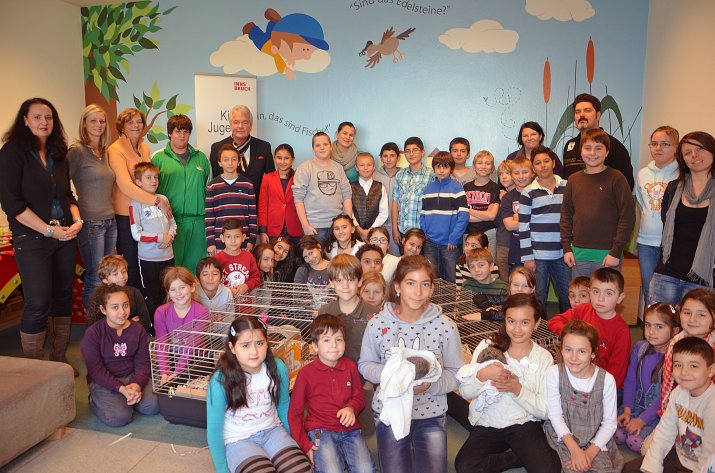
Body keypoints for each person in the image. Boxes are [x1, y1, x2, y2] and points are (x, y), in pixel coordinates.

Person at [359, 255, 463, 473]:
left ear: (432, 288)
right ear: (397, 286)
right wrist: (395, 376)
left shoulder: (446, 326)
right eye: (410, 283)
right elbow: (366, 364)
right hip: (389, 410)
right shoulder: (377, 324)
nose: (418, 292)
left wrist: (432, 385)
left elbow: (456, 372)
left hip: (431, 413)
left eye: (425, 284)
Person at [0, 98, 82, 366]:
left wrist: (77, 220)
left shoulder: (59, 153)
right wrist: (48, 231)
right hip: (32, 238)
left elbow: (67, 196)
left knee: (63, 297)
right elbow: (11, 204)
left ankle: (58, 361)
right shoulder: (12, 152)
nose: (43, 122)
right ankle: (35, 370)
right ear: (25, 120)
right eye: (37, 117)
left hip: (65, 235)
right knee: (38, 302)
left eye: (48, 117)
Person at [454, 294, 560, 473]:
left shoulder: (544, 358)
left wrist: (517, 389)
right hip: (489, 422)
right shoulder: (488, 346)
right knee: (465, 466)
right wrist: (482, 375)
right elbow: (465, 392)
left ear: (537, 323)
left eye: (525, 322)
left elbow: (545, 409)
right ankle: (517, 457)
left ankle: (526, 453)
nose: (517, 329)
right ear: (505, 320)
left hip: (524, 423)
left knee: (549, 469)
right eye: (511, 321)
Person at [207, 316, 311, 473]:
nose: (254, 352)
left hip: (273, 431)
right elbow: (214, 429)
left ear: (267, 342)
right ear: (232, 347)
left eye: (260, 343)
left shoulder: (278, 368)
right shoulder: (220, 380)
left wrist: (296, 444)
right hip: (238, 440)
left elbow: (284, 407)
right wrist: (222, 470)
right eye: (245, 345)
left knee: (301, 469)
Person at [288, 315, 374, 472]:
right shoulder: (305, 374)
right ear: (315, 346)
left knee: (366, 469)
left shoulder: (350, 366)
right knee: (332, 470)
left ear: (345, 343)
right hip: (320, 431)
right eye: (326, 340)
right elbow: (294, 413)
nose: (334, 345)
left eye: (338, 339)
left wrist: (351, 408)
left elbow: (359, 398)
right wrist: (305, 445)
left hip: (350, 430)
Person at [623, 336, 715, 473]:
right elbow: (664, 432)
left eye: (694, 366)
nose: (684, 372)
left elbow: (709, 456)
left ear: (711, 370)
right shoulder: (678, 392)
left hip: (704, 465)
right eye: (678, 365)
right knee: (628, 469)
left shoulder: (711, 404)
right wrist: (651, 468)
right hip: (680, 456)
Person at [543, 320, 624, 473]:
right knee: (572, 469)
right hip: (564, 436)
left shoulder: (607, 380)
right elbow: (555, 415)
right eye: (568, 349)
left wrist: (588, 454)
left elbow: (609, 424)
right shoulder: (554, 373)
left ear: (593, 353)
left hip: (595, 438)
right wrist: (575, 450)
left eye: (582, 351)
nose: (573, 357)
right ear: (561, 349)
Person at [79, 284, 159, 427]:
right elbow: (96, 371)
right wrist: (121, 389)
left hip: (131, 376)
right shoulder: (93, 333)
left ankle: (128, 399)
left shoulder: (138, 329)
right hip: (105, 382)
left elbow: (143, 363)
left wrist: (136, 385)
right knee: (119, 418)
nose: (122, 312)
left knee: (153, 406)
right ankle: (96, 400)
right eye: (115, 307)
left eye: (125, 305)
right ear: (103, 309)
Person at [649, 131, 715, 305]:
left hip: (703, 278)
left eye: (700, 149)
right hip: (667, 274)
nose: (694, 155)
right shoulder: (673, 189)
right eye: (687, 152)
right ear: (682, 159)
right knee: (657, 322)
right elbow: (666, 224)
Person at [108, 108, 171, 288]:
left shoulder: (144, 147)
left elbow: (147, 178)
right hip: (126, 216)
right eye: (130, 122)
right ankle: (132, 303)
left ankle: (149, 302)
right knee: (131, 266)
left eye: (139, 121)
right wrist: (158, 202)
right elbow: (125, 185)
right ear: (122, 127)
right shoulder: (115, 150)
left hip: (147, 213)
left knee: (149, 265)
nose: (136, 125)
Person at [561, 128, 636, 278]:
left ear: (607, 152)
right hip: (578, 255)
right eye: (587, 148)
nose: (592, 153)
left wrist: (616, 251)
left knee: (605, 293)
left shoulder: (617, 178)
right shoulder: (573, 180)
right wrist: (567, 248)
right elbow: (566, 216)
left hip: (607, 256)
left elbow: (627, 217)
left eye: (598, 148)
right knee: (581, 293)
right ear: (581, 151)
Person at [318, 256, 379, 434]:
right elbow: (320, 348)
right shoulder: (325, 311)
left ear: (359, 281)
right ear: (331, 283)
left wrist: (369, 383)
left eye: (350, 280)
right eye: (339, 280)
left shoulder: (374, 314)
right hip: (331, 383)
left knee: (366, 431)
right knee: (333, 427)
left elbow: (379, 351)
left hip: (363, 383)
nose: (345, 286)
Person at [547, 267, 632, 389]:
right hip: (577, 374)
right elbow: (554, 321)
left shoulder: (622, 331)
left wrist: (595, 388)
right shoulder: (583, 309)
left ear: (620, 297)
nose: (600, 298)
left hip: (602, 386)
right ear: (589, 292)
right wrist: (573, 334)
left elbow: (616, 374)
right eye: (596, 292)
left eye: (608, 293)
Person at [68, 104, 116, 310]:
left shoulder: (105, 152)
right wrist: (76, 213)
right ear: (84, 124)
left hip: (110, 221)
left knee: (108, 276)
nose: (99, 125)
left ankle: (105, 319)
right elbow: (60, 186)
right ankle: (93, 323)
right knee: (95, 277)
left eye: (102, 121)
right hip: (90, 223)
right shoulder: (77, 151)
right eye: (93, 121)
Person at [152, 114, 212, 272]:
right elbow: (149, 192)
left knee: (197, 270)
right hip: (170, 222)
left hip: (198, 223)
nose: (182, 135)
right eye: (178, 131)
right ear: (170, 133)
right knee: (171, 271)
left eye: (185, 131)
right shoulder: (157, 158)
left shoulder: (201, 158)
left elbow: (209, 189)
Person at [616, 302, 678, 453]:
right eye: (648, 325)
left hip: (656, 414)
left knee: (635, 442)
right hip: (634, 405)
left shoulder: (675, 358)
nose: (651, 332)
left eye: (659, 327)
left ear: (674, 330)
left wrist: (641, 420)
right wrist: (627, 410)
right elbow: (630, 380)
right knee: (616, 434)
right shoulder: (640, 347)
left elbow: (665, 397)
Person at [519, 145, 571, 313]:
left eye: (546, 161)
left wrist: (571, 248)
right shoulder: (528, 192)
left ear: (553, 163)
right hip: (538, 256)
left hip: (563, 254)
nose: (543, 165)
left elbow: (574, 218)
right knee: (538, 297)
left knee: (567, 295)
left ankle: (567, 328)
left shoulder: (568, 186)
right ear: (533, 168)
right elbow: (523, 226)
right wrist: (528, 257)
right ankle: (539, 328)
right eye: (538, 163)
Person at [636, 126, 680, 304]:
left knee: (670, 296)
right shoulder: (643, 174)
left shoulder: (682, 174)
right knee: (650, 292)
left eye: (665, 144)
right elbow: (642, 204)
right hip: (646, 243)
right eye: (654, 144)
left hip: (672, 244)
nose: (658, 148)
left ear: (676, 147)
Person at [129, 161, 177, 322]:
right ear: (138, 182)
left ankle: (168, 324)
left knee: (168, 293)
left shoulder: (163, 199)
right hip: (148, 260)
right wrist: (160, 237)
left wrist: (170, 236)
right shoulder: (135, 204)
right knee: (152, 295)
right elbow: (137, 234)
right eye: (148, 177)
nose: (154, 181)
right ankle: (153, 328)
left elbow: (173, 223)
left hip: (168, 257)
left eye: (156, 177)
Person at [658, 289, 715, 416]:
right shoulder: (674, 343)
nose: (692, 319)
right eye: (687, 312)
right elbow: (668, 382)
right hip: (678, 407)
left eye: (701, 315)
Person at [561, 93, 635, 188]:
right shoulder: (569, 146)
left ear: (598, 115)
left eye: (587, 110)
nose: (581, 115)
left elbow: (627, 185)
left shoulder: (614, 146)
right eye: (577, 112)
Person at [153, 266, 209, 385]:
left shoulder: (202, 312)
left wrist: (177, 374)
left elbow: (191, 346)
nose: (178, 293)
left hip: (195, 360)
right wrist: (165, 372)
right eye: (173, 289)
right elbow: (161, 344)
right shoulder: (161, 312)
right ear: (168, 292)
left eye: (182, 287)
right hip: (171, 357)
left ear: (192, 287)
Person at [420, 151, 469, 283]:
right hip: (430, 243)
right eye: (438, 167)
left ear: (451, 169)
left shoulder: (457, 188)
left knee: (452, 278)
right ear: (434, 168)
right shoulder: (428, 189)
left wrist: (454, 238)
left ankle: (453, 299)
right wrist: (425, 233)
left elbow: (464, 216)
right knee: (431, 278)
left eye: (445, 167)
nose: (441, 170)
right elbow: (423, 214)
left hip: (450, 244)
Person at [293, 132, 353, 241]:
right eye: (318, 145)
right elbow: (298, 200)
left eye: (325, 144)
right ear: (313, 148)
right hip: (315, 226)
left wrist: (348, 222)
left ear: (331, 146)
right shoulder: (304, 168)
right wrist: (305, 225)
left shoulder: (338, 168)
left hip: (338, 225)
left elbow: (346, 195)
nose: (322, 148)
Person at [242, 8, 329, 81]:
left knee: (272, 31)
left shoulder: (282, 44)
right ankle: (252, 28)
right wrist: (286, 70)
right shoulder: (277, 51)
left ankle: (276, 23)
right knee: (259, 39)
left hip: (276, 36)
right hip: (267, 44)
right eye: (305, 49)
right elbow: (279, 62)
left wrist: (291, 58)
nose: (307, 57)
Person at [208, 104, 274, 199]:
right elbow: (214, 181)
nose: (240, 126)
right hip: (226, 204)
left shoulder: (264, 147)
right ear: (230, 125)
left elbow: (271, 181)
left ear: (251, 126)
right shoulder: (217, 148)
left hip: (256, 204)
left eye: (245, 122)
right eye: (236, 122)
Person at [205, 143, 257, 255]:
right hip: (219, 243)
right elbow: (209, 217)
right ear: (219, 162)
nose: (230, 163)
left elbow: (252, 215)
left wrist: (252, 239)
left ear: (238, 162)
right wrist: (210, 242)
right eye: (226, 160)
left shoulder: (247, 185)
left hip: (243, 242)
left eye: (233, 159)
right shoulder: (212, 186)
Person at [86, 255, 150, 333]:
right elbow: (98, 327)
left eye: (124, 271)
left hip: (133, 336)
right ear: (105, 280)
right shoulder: (99, 297)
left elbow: (146, 323)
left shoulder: (135, 293)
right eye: (115, 274)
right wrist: (129, 324)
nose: (122, 276)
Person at [391, 137, 434, 248]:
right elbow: (395, 201)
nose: (411, 154)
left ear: (422, 152)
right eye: (407, 151)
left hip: (422, 232)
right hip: (403, 231)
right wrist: (395, 229)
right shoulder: (400, 175)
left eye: (415, 150)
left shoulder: (431, 175)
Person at [497, 156, 533, 281]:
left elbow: (543, 222)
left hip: (536, 248)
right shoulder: (507, 197)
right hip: (513, 247)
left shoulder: (536, 193)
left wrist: (518, 218)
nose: (521, 176)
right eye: (516, 173)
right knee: (514, 282)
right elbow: (509, 225)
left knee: (535, 284)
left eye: (525, 172)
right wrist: (531, 221)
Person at [257, 143, 302, 245]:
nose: (282, 162)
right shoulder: (267, 178)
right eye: (279, 158)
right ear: (274, 158)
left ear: (293, 159)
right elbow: (263, 205)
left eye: (286, 158)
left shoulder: (299, 178)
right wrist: (263, 231)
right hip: (273, 229)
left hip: (295, 228)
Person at [464, 150, 500, 258]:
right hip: (468, 233)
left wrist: (470, 210)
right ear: (474, 166)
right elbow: (464, 216)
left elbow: (492, 216)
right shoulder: (466, 188)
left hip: (488, 233)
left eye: (487, 163)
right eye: (480, 163)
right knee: (469, 263)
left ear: (492, 168)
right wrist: (485, 214)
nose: (483, 166)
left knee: (488, 263)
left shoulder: (495, 188)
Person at [214, 219, 261, 297]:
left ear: (243, 237)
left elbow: (256, 278)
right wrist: (226, 289)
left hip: (245, 303)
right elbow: (212, 282)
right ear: (222, 238)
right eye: (228, 237)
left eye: (237, 236)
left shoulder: (249, 257)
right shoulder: (216, 259)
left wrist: (246, 286)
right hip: (223, 303)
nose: (233, 241)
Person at [462, 248, 508, 321]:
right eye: (472, 266)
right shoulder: (467, 285)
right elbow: (462, 308)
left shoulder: (503, 287)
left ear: (491, 266)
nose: (476, 269)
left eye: (481, 265)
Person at [352, 152, 389, 241]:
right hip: (355, 233)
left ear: (373, 167)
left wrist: (371, 230)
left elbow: (384, 212)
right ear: (356, 168)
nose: (365, 168)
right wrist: (358, 229)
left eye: (369, 165)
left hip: (375, 234)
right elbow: (349, 212)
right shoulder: (350, 187)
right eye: (362, 165)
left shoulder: (380, 187)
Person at [373, 142, 402, 256]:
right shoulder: (374, 175)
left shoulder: (403, 175)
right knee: (377, 255)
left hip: (397, 225)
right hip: (378, 224)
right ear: (381, 158)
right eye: (385, 156)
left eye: (392, 156)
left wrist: (396, 228)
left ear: (398, 157)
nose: (389, 159)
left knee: (395, 257)